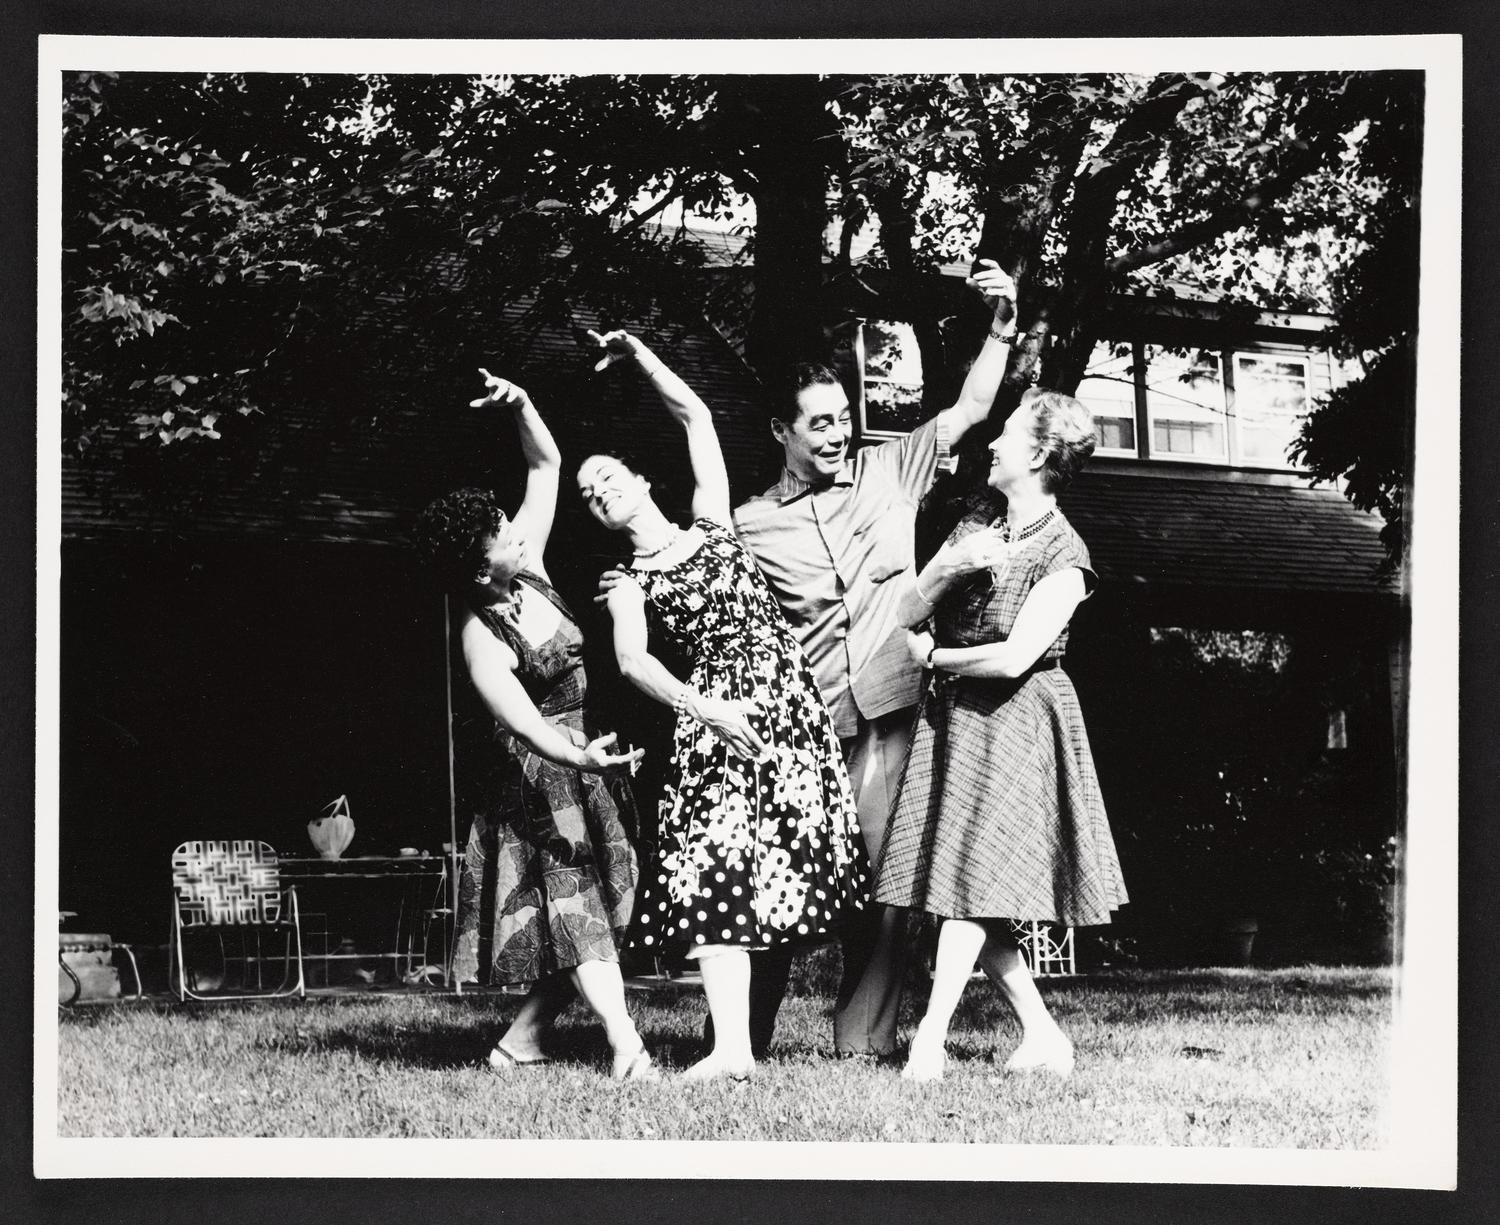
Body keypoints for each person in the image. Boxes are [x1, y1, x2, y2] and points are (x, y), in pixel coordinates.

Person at [730, 259, 1022, 1058]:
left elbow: (969, 408)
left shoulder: (891, 468)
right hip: (804, 724)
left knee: (888, 883)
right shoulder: (749, 523)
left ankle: (863, 1036)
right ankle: (743, 1042)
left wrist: (999, 329)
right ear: (781, 433)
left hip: (892, 710)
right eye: (817, 423)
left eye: (842, 416)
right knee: (778, 880)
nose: (837, 432)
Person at [583, 328, 869, 1082]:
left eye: (609, 474)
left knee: (778, 862)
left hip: (783, 704)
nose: (600, 489)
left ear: (642, 479)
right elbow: (631, 660)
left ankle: (768, 1038)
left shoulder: (714, 519)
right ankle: (733, 1048)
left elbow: (697, 419)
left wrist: (642, 358)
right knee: (713, 861)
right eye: (588, 493)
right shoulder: (630, 584)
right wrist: (703, 708)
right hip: (713, 714)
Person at [875, 388, 1128, 1081]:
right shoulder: (979, 521)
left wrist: (936, 659)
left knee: (970, 883)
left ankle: (929, 1035)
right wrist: (952, 565)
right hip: (958, 719)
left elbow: (1017, 655)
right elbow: (904, 607)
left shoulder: (1066, 556)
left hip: (1018, 716)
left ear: (1040, 455)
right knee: (971, 884)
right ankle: (1043, 1034)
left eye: (1009, 434)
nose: (991, 443)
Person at [412, 371, 656, 1082]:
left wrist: (521, 404)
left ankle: (519, 1042)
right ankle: (627, 1046)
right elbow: (524, 723)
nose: (513, 529)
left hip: (584, 763)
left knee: (597, 909)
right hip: (534, 784)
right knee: (578, 914)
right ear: (475, 565)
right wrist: (580, 758)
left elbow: (545, 465)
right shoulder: (479, 635)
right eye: (497, 533)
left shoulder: (532, 568)